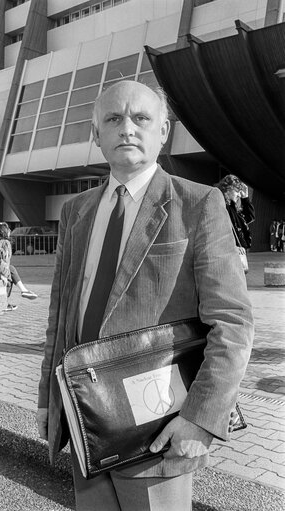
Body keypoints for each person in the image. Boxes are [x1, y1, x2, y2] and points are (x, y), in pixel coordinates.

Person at [37, 80, 254, 511]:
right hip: (87, 419)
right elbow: (59, 315)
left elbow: (232, 323)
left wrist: (199, 419)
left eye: (141, 118)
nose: (127, 129)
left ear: (163, 131)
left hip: (160, 431)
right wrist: (50, 402)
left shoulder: (199, 204)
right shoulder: (75, 211)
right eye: (114, 119)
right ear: (96, 133)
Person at [0, 221, 38, 311]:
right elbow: (3, 263)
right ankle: (4, 302)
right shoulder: (4, 242)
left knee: (11, 269)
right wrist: (4, 275)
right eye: (9, 230)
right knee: (8, 276)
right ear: (5, 232)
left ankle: (24, 290)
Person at [214, 174, 255, 250]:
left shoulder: (232, 208)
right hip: (229, 253)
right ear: (228, 189)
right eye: (237, 191)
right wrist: (234, 247)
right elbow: (219, 232)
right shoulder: (221, 206)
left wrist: (245, 198)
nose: (239, 195)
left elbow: (249, 218)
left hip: (236, 252)